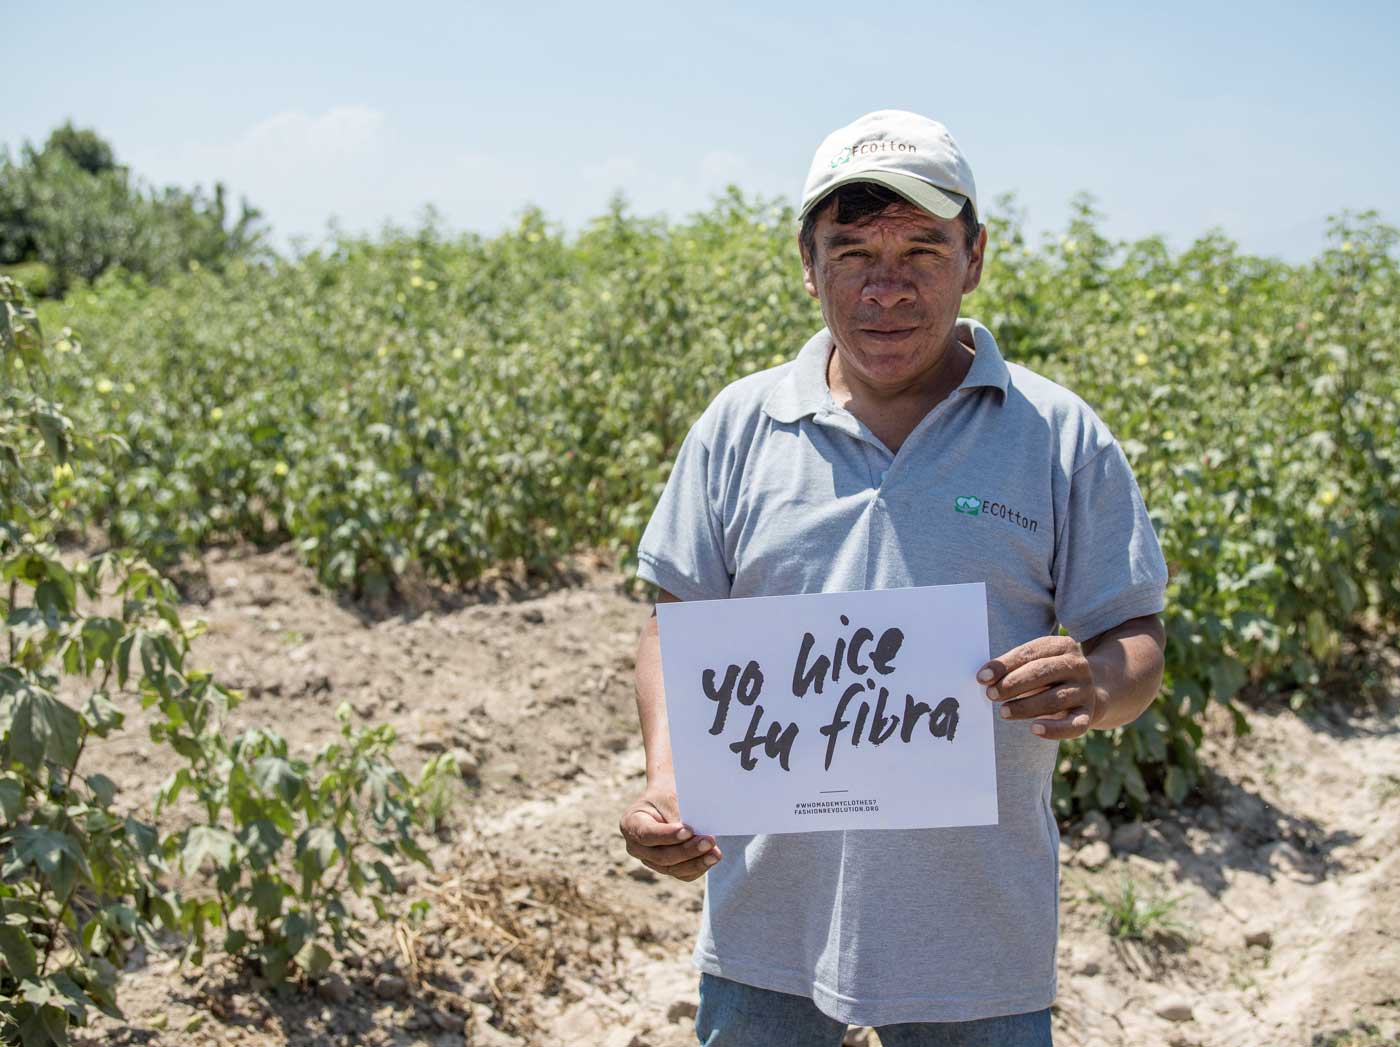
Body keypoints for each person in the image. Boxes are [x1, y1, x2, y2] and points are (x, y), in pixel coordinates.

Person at [617, 109, 1168, 1047]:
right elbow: (676, 624)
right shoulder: (739, 428)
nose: (887, 287)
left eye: (922, 249)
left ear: (976, 255)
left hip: (978, 936)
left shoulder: (1056, 434)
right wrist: (672, 783)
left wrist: (1098, 686)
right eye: (851, 252)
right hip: (767, 924)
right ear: (807, 264)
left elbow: (1134, 638)